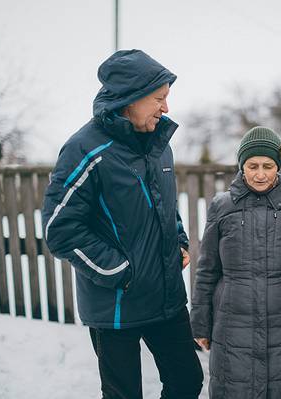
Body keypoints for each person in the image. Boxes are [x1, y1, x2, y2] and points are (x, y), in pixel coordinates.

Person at [42, 49, 203, 399]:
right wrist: (120, 272)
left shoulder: (159, 144)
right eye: (159, 99)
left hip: (166, 297)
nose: (166, 108)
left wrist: (178, 238)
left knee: (188, 381)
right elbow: (60, 229)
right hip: (116, 305)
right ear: (130, 98)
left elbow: (164, 205)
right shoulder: (85, 149)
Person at [190, 126, 281, 399]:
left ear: (278, 167)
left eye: (268, 166)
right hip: (233, 324)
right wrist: (200, 323)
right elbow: (207, 269)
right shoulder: (222, 206)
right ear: (241, 166)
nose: (260, 173)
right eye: (252, 165)